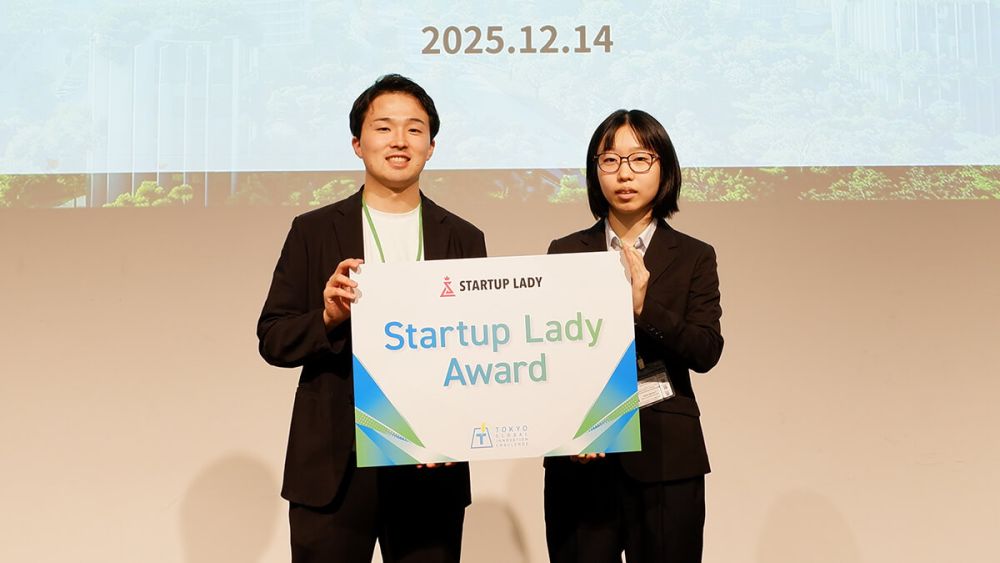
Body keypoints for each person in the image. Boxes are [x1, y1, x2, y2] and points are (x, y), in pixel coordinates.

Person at [257, 74, 486, 563]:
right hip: (334, 467)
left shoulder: (463, 238)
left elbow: (479, 348)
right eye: (384, 128)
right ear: (358, 144)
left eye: (414, 129)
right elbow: (273, 339)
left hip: (430, 463)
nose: (399, 141)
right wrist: (327, 316)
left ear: (431, 147)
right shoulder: (313, 230)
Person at [543, 109, 724, 563]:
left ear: (664, 168)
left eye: (640, 159)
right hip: (582, 457)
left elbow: (706, 350)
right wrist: (572, 430)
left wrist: (643, 308)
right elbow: (551, 356)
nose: (624, 173)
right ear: (595, 172)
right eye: (610, 160)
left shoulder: (694, 256)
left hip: (666, 457)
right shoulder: (564, 252)